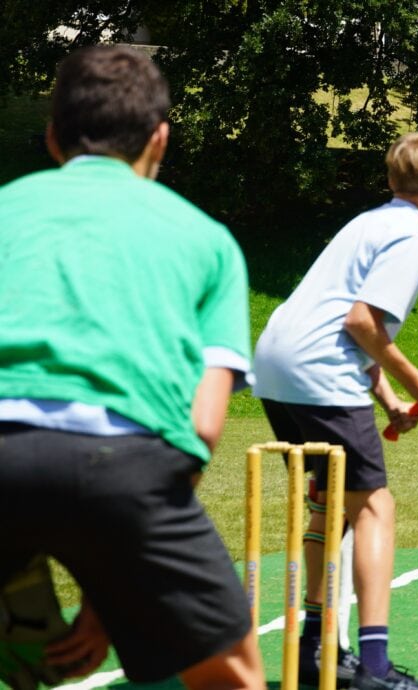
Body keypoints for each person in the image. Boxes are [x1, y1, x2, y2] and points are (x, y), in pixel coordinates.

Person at [0, 46, 264, 689]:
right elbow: (202, 428)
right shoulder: (207, 241)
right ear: (160, 138)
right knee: (232, 672)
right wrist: (116, 593)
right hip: (124, 468)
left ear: (53, 137)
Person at [252, 131, 418, 690]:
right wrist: (416, 379)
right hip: (319, 372)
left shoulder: (365, 223)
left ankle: (319, 649)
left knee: (333, 504)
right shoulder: (414, 237)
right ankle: (374, 669)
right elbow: (360, 323)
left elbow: (344, 322)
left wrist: (391, 401)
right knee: (374, 509)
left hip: (274, 366)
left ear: (390, 182)